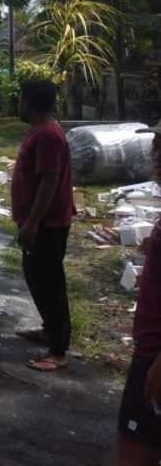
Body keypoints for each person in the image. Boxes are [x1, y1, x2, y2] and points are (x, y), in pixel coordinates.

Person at [11, 80, 77, 373]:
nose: (18, 104)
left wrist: (33, 224)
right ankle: (50, 330)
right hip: (39, 223)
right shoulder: (41, 131)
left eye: (21, 99)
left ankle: (59, 349)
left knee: (50, 284)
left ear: (29, 101)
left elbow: (49, 181)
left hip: (47, 225)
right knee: (36, 277)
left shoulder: (48, 135)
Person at [117, 119, 161, 465]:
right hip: (149, 348)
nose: (156, 155)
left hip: (155, 353)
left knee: (137, 450)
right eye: (156, 144)